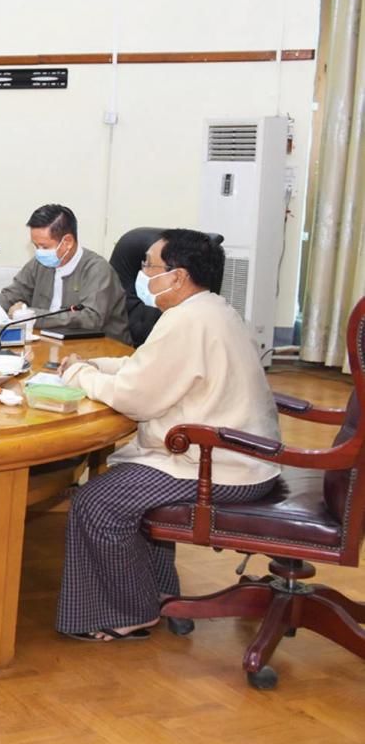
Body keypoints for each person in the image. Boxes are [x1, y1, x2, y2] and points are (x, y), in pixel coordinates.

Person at [54, 230, 279, 641]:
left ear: (177, 276)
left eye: (149, 265)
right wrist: (96, 366)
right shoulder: (210, 309)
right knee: (120, 491)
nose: (142, 274)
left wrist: (77, 375)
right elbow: (150, 368)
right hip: (238, 455)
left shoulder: (186, 320)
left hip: (219, 466)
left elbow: (135, 398)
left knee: (96, 503)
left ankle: (132, 611)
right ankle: (157, 591)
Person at [0, 204, 131, 343]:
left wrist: (32, 316)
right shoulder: (40, 263)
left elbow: (91, 319)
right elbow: (12, 295)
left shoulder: (97, 269)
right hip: (49, 345)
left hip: (99, 351)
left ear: (67, 242)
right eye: (35, 246)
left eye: (44, 246)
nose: (39, 252)